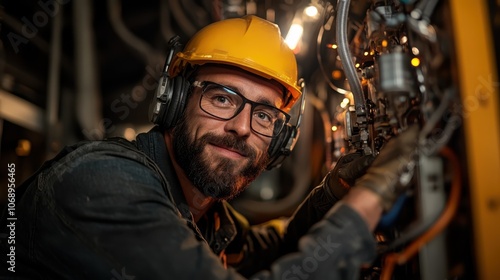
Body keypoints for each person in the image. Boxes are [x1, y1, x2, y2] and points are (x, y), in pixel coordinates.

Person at [0, 15, 419, 279]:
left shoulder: (207, 214)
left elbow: (269, 251)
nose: (241, 127)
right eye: (222, 98)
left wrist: (333, 194)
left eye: (264, 115)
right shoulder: (102, 182)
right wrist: (366, 207)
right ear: (175, 100)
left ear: (281, 136)